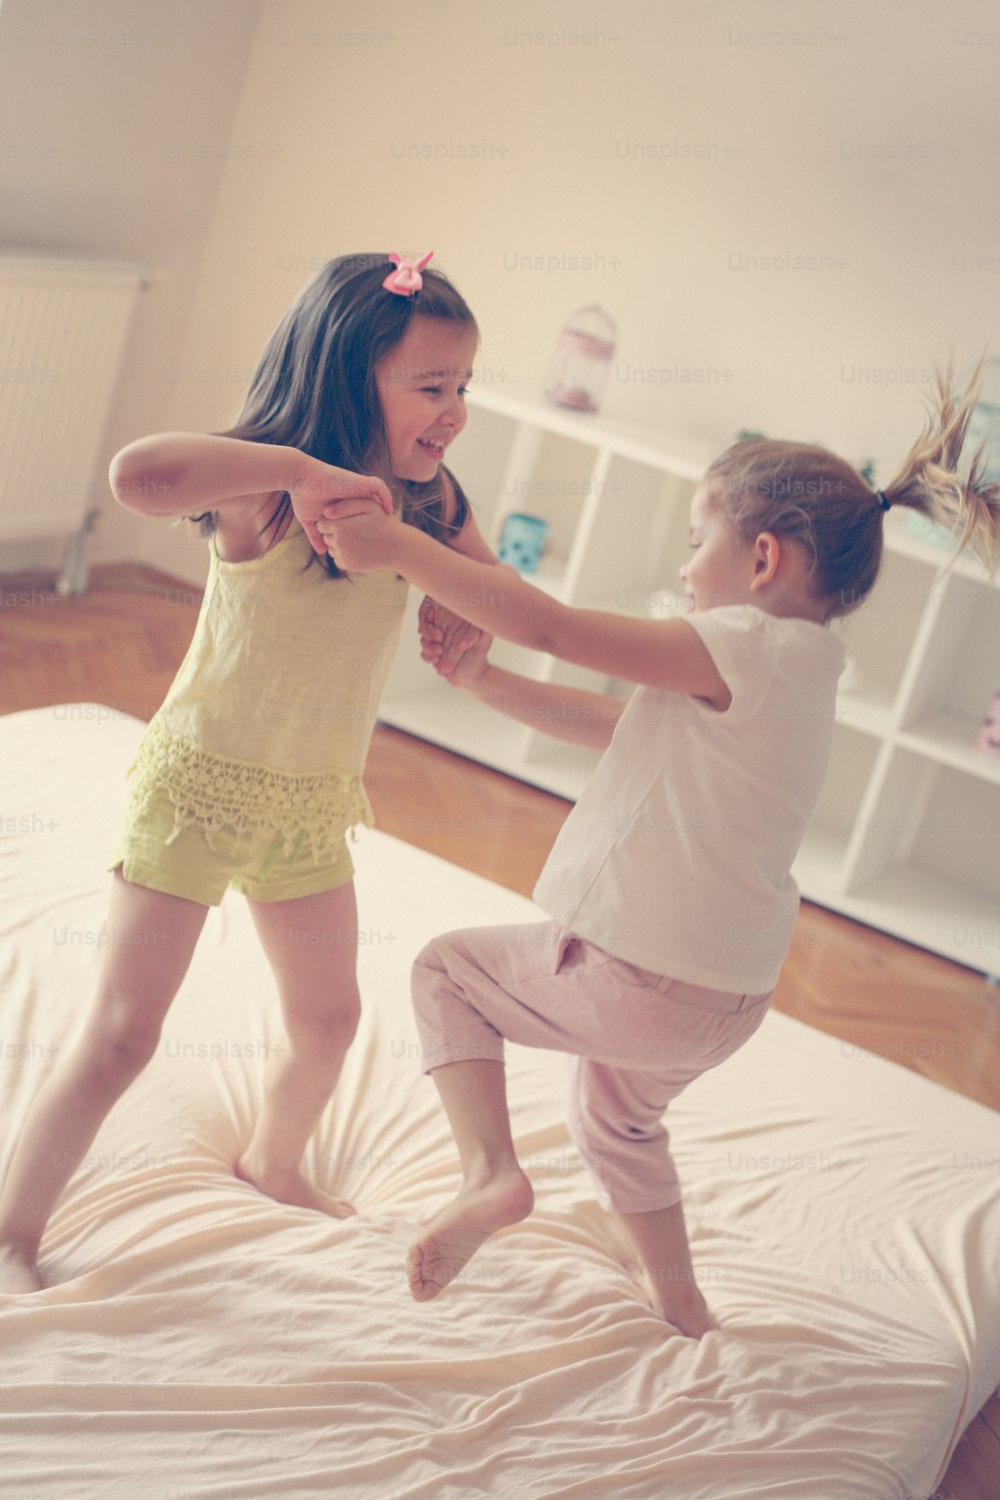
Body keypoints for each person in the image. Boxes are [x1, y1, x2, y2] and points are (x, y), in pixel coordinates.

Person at [317, 368, 1000, 1338]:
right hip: (721, 999)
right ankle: (681, 1303)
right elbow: (619, 728)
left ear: (761, 559)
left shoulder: (737, 641)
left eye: (695, 543)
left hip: (639, 979)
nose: (684, 571)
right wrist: (482, 681)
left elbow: (553, 625)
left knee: (448, 974)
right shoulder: (803, 671)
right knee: (618, 1124)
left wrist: (400, 549)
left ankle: (491, 1175)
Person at [0, 252, 493, 1295]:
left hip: (310, 807)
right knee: (124, 1033)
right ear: (352, 369)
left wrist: (456, 597)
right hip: (200, 788)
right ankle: (12, 1229)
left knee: (329, 1021)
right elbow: (137, 473)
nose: (453, 412)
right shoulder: (264, 492)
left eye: (463, 388)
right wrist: (297, 472)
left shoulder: (429, 494)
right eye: (432, 387)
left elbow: (489, 589)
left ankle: (274, 1159)